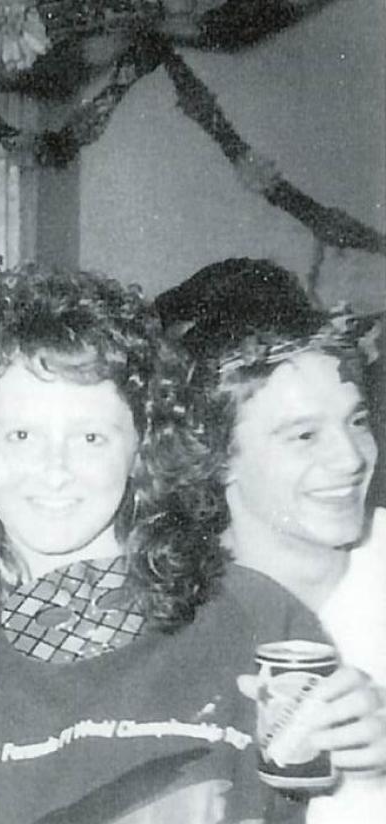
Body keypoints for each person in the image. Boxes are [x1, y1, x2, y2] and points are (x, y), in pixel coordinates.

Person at [0, 266, 386, 824]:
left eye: (91, 437)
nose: (55, 470)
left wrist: (369, 768)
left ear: (141, 445)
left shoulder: (262, 622)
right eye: (21, 435)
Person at [158, 257, 386, 821]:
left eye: (357, 421)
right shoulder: (171, 606)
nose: (351, 458)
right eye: (304, 435)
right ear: (217, 458)